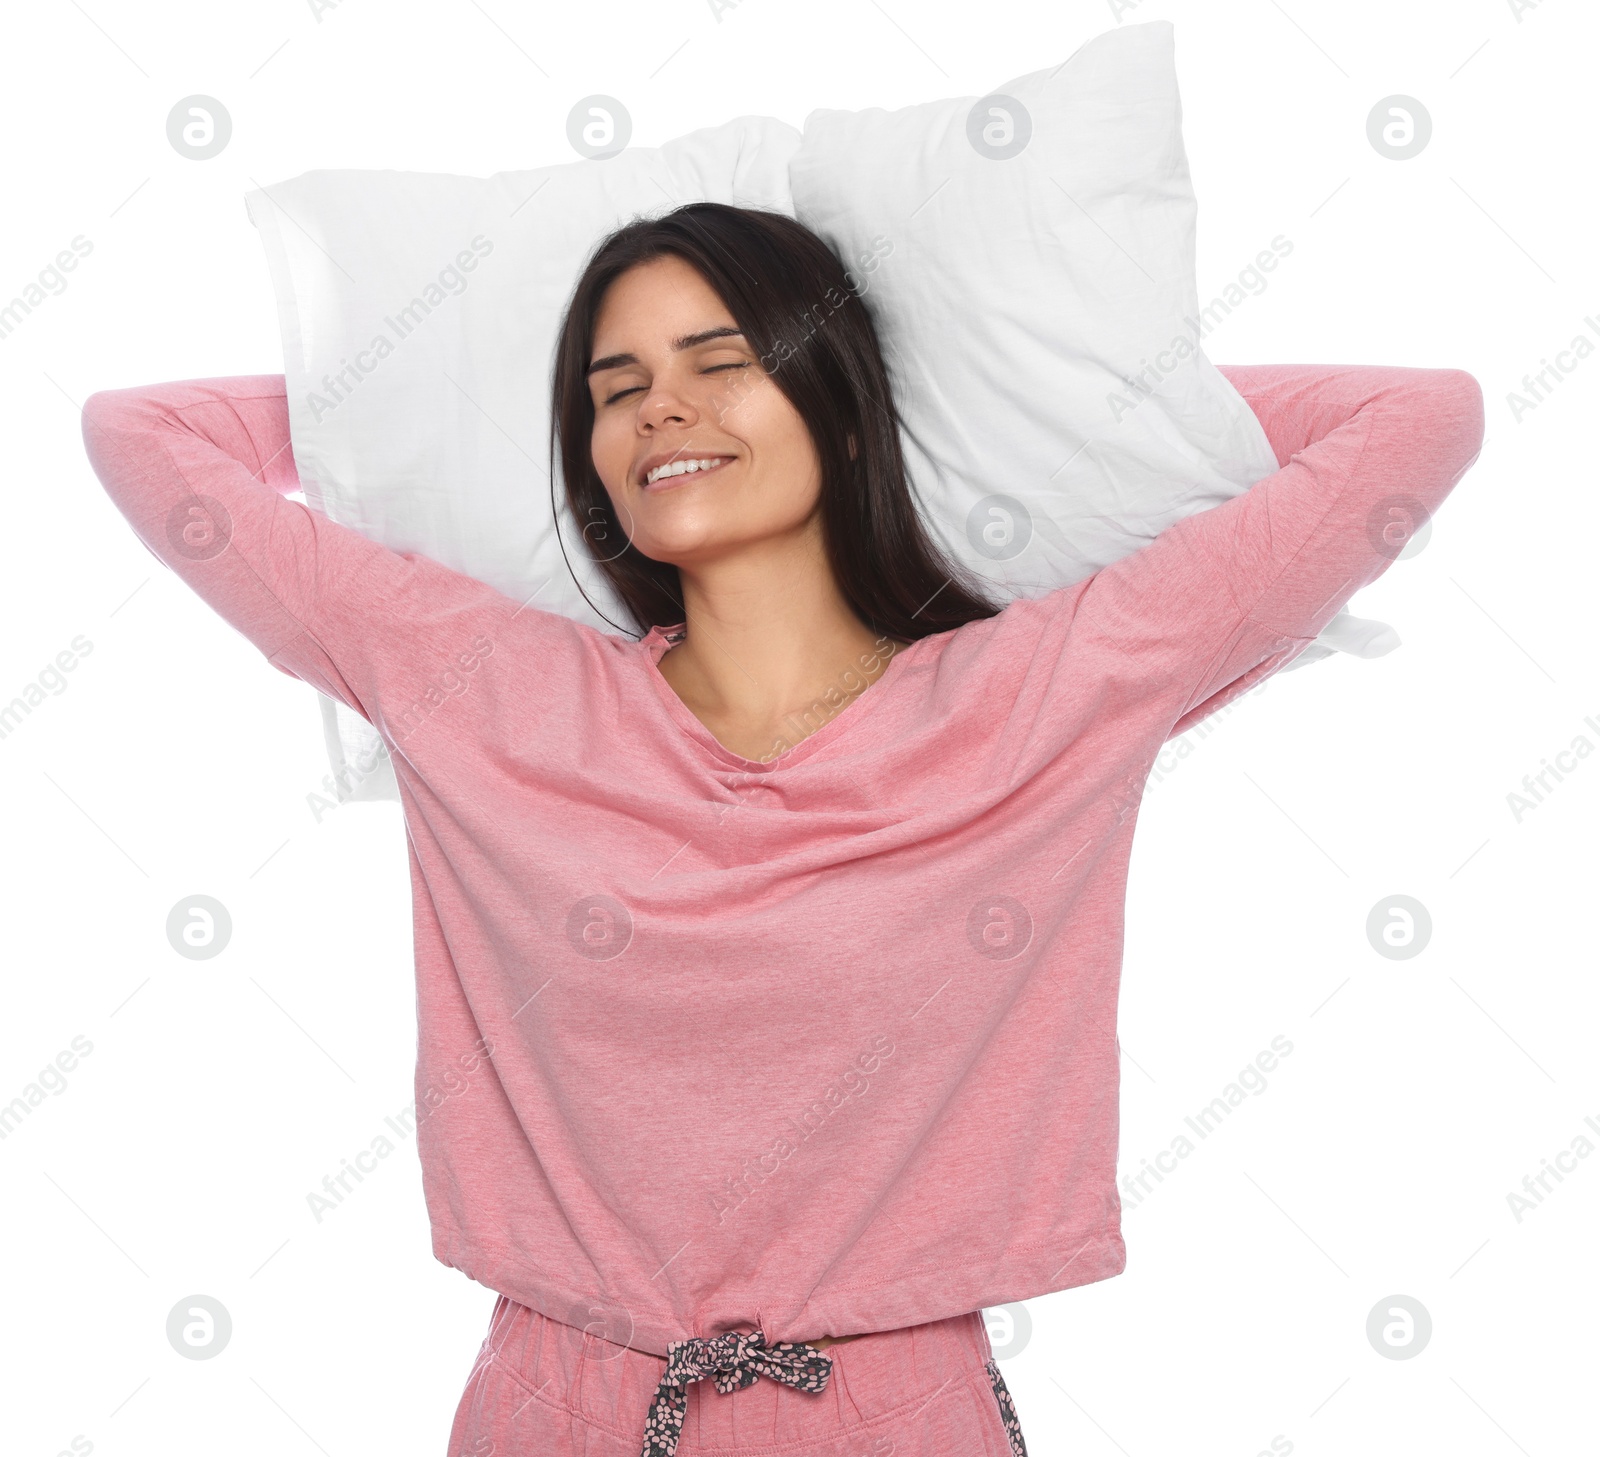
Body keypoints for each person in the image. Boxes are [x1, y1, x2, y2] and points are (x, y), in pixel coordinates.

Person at [80, 202, 1485, 1457]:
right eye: (611, 389)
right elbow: (143, 437)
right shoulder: (483, 688)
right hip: (554, 1403)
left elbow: (1419, 420)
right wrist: (421, 404)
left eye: (721, 363)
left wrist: (1003, 406)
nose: (658, 412)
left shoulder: (1041, 695)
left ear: (844, 399)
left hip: (891, 1412)